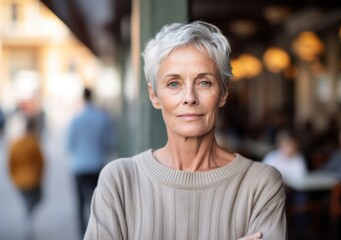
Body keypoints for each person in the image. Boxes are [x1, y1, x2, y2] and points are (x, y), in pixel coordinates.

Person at [84, 21, 286, 240]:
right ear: (154, 95)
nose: (189, 98)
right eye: (174, 84)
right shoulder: (119, 181)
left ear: (224, 93)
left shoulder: (260, 184)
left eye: (204, 83)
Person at [67, 87, 114, 236]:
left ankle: (82, 235)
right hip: (97, 165)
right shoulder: (102, 117)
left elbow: (70, 145)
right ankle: (97, 232)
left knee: (80, 203)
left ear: (83, 97)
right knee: (97, 203)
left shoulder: (76, 119)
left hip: (79, 166)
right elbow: (109, 142)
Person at [8, 118, 45, 236]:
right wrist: (40, 176)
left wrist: (13, 177)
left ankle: (28, 220)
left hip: (19, 180)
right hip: (32, 179)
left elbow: (10, 162)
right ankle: (28, 220)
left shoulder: (16, 143)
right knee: (36, 199)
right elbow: (41, 161)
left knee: (28, 202)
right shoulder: (33, 141)